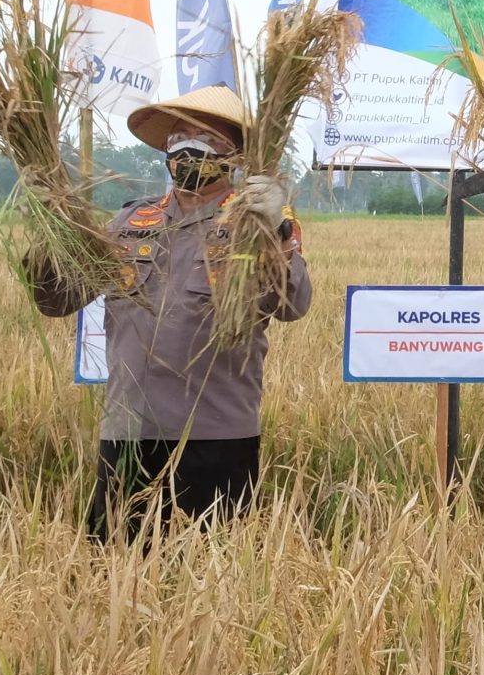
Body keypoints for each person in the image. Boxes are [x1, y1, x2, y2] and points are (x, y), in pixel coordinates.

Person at [25, 86, 308, 540]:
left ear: (234, 152)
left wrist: (275, 230)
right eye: (177, 136)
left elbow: (293, 305)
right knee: (114, 573)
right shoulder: (129, 223)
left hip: (215, 435)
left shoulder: (255, 220)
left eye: (202, 136)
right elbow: (56, 301)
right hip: (127, 433)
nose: (185, 146)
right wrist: (48, 229)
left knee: (206, 581)